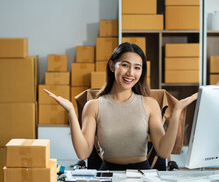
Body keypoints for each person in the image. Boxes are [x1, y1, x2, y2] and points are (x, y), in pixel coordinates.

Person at [43, 42, 197, 170]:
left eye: (137, 67)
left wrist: (176, 111)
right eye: (125, 65)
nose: (131, 73)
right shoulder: (94, 105)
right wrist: (70, 111)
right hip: (108, 174)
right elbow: (83, 153)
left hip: (141, 174)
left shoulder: (150, 104)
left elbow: (163, 152)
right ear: (112, 66)